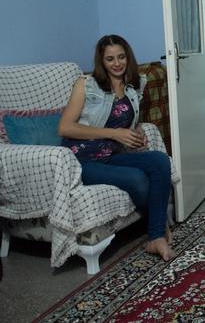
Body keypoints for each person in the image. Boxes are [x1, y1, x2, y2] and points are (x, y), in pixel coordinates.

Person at [58, 34, 174, 261]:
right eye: (110, 59)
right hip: (83, 160)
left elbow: (123, 121)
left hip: (113, 155)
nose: (117, 63)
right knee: (137, 179)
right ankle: (157, 231)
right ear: (101, 62)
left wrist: (136, 131)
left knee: (160, 161)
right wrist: (114, 133)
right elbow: (64, 128)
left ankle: (155, 235)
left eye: (121, 57)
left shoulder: (132, 87)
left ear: (127, 57)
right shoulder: (86, 85)